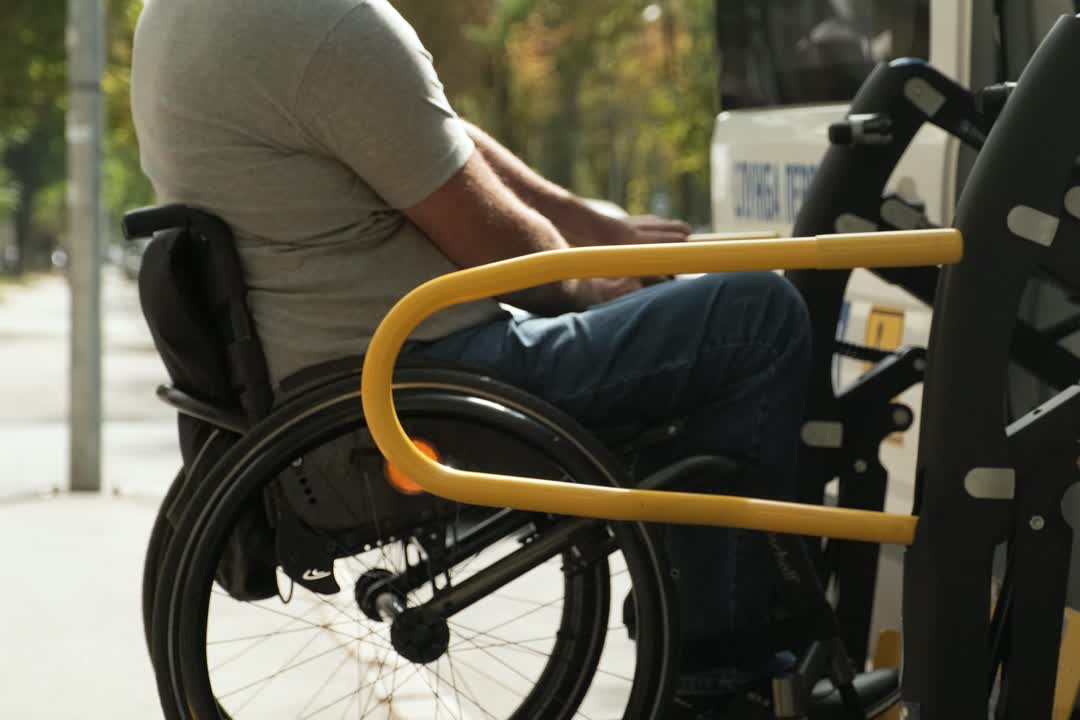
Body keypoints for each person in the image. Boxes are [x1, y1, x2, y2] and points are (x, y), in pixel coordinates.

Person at [131, 0, 814, 716]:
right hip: (414, 387)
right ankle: (718, 672)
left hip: (320, 387)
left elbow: (432, 135)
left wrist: (592, 226)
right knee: (755, 317)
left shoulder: (177, 16)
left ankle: (691, 606)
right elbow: (517, 260)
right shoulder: (326, 24)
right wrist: (589, 280)